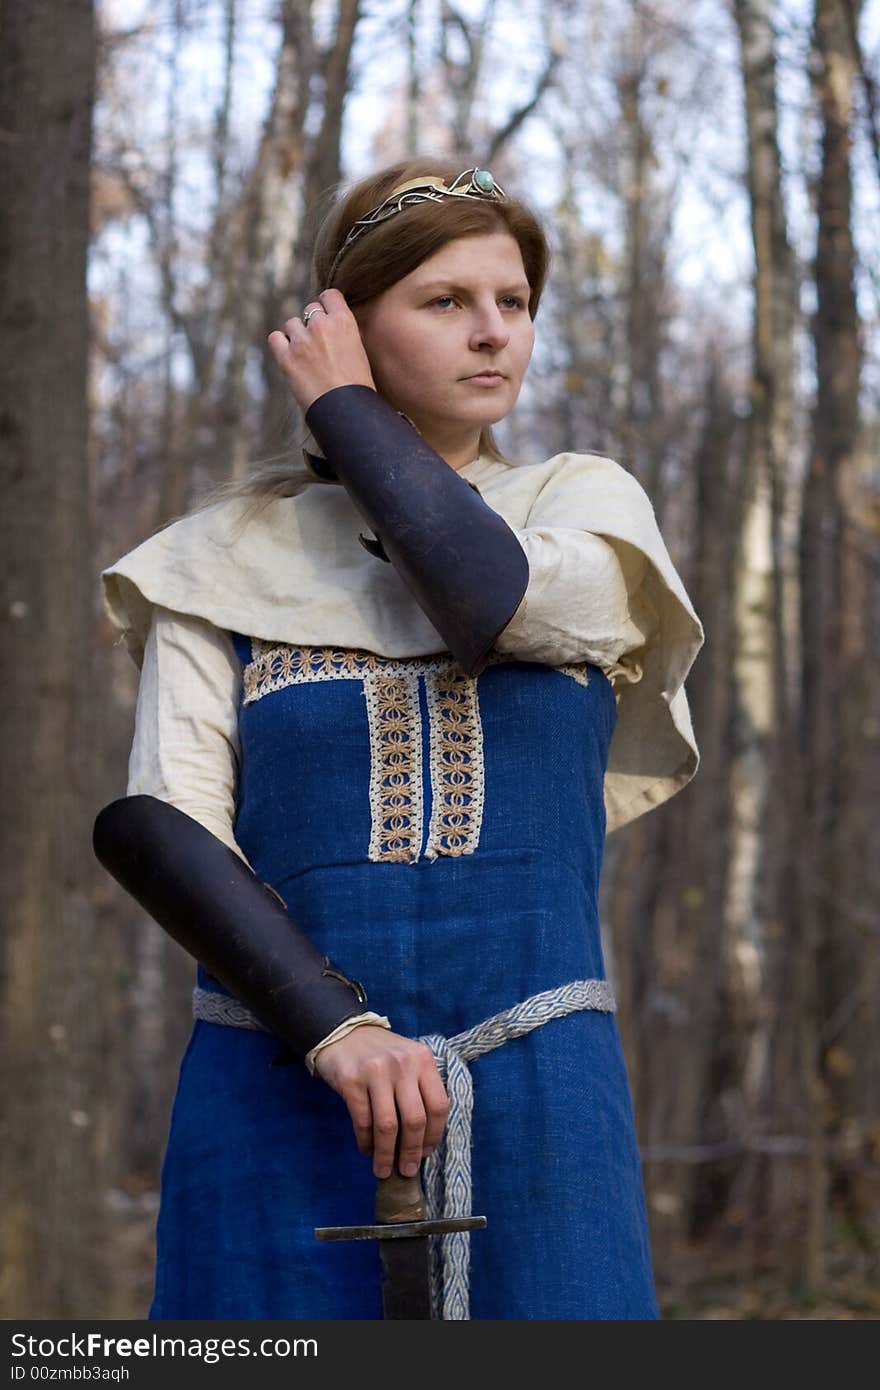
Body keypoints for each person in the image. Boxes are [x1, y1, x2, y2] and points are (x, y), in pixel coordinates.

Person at [94, 158, 704, 1321]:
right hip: (276, 1078)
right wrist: (337, 1033)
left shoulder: (583, 508)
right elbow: (167, 823)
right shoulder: (215, 560)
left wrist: (342, 412)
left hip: (541, 1089)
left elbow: (486, 594)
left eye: (513, 303)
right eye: (444, 301)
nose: (493, 334)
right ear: (346, 323)